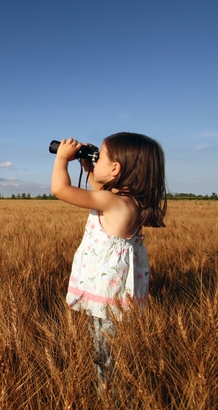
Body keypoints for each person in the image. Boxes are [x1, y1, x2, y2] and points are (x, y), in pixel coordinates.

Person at [50, 132, 167, 390]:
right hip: (117, 292)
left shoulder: (112, 201)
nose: (96, 159)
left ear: (115, 169)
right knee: (113, 347)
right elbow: (100, 190)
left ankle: (109, 399)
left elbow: (60, 189)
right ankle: (117, 389)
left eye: (100, 157)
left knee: (104, 353)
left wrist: (62, 159)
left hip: (105, 292)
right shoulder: (132, 203)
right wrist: (87, 165)